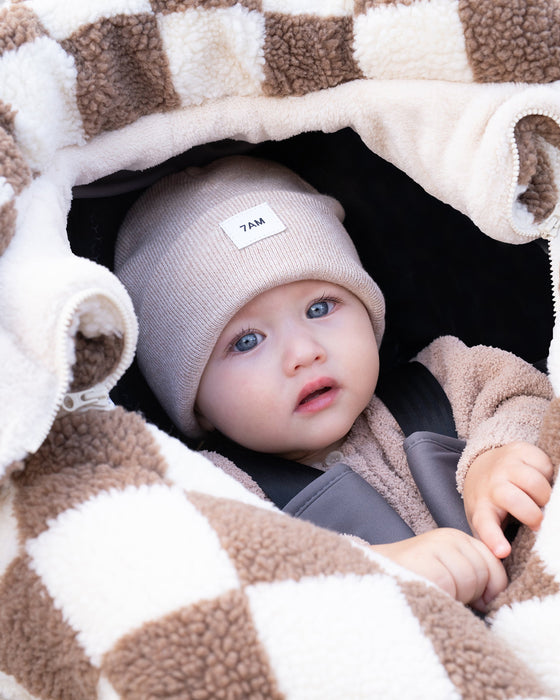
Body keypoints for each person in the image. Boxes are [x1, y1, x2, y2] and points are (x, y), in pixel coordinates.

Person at [115, 155, 554, 613]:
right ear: (196, 403)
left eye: (320, 308)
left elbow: (530, 399)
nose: (304, 352)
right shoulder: (215, 492)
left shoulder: (450, 376)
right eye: (246, 341)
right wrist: (371, 569)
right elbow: (242, 583)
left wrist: (497, 456)